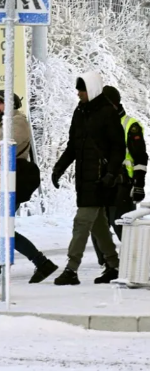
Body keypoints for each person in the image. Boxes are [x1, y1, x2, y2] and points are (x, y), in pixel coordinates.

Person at [0, 90, 58, 283]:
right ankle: (37, 264)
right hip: (2, 183)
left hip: (12, 182)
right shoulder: (3, 125)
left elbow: (5, 147)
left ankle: (2, 272)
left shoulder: (18, 123)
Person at [52, 71, 125, 285]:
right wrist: (59, 167)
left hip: (101, 179)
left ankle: (71, 268)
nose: (78, 94)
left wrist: (111, 173)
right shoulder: (80, 112)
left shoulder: (107, 112)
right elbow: (73, 146)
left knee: (82, 221)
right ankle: (113, 264)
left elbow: (118, 147)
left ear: (92, 89)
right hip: (84, 179)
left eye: (82, 89)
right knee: (98, 224)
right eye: (78, 89)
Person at [92, 86, 147, 267]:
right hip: (101, 185)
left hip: (122, 185)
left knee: (121, 225)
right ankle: (110, 264)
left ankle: (138, 262)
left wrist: (139, 184)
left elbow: (140, 158)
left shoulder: (130, 125)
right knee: (97, 225)